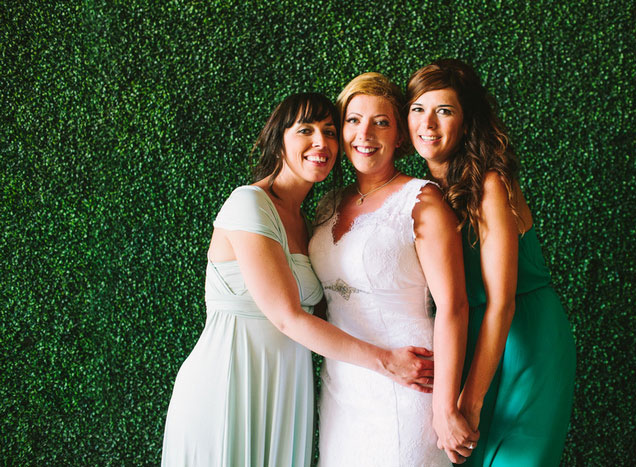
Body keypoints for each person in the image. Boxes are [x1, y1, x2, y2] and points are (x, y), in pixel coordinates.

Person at [161, 92, 436, 467]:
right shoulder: (248, 203)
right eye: (306, 130)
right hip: (229, 382)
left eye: (329, 131)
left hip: (286, 390)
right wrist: (387, 361)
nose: (321, 142)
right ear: (279, 140)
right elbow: (287, 317)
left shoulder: (312, 223)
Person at [406, 59, 576, 466]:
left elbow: (502, 301)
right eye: (417, 109)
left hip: (524, 338)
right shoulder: (426, 192)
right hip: (469, 339)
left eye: (444, 110)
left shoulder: (490, 183)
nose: (427, 123)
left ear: (467, 121)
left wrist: (471, 399)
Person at [308, 73, 479, 466]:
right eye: (353, 120)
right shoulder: (328, 205)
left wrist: (444, 406)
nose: (364, 133)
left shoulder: (421, 199)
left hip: (411, 382)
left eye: (381, 122)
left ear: (400, 136)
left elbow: (454, 306)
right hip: (342, 388)